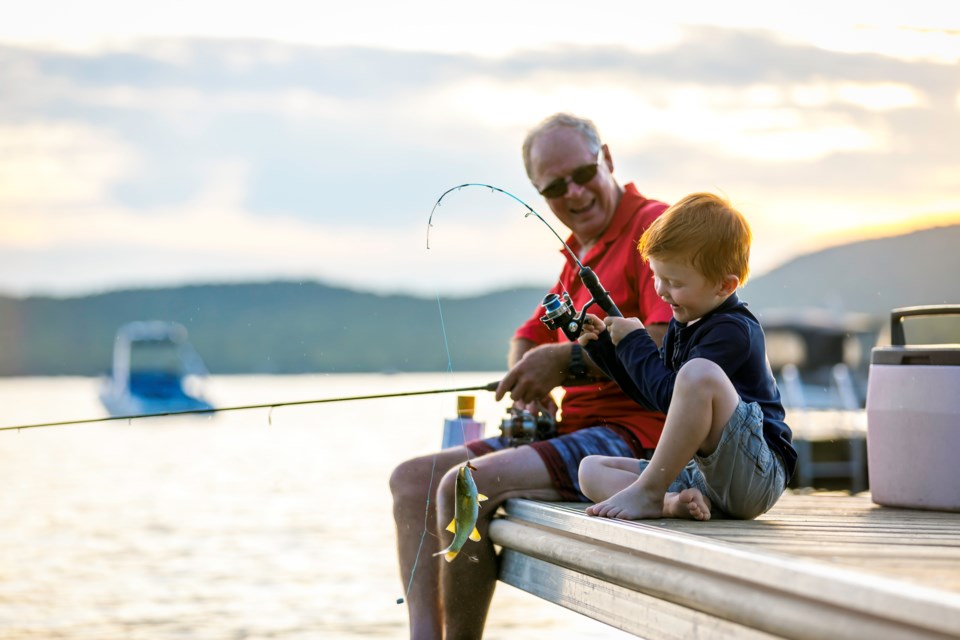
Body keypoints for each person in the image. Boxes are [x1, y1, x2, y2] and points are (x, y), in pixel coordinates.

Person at [389, 112, 674, 639]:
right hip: (573, 432)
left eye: (584, 175)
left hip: (632, 439)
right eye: (554, 186)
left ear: (606, 160)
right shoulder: (580, 250)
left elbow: (665, 341)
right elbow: (528, 334)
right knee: (411, 481)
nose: (575, 193)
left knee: (460, 487)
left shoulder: (652, 229)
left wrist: (561, 365)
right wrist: (530, 383)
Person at [576, 192, 798, 522]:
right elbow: (656, 395)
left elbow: (673, 391)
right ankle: (669, 502)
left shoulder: (734, 330)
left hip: (756, 475)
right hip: (704, 476)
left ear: (724, 286)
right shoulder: (685, 322)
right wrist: (608, 349)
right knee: (590, 470)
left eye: (674, 282)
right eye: (656, 275)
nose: (661, 290)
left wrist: (637, 340)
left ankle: (650, 492)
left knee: (697, 374)